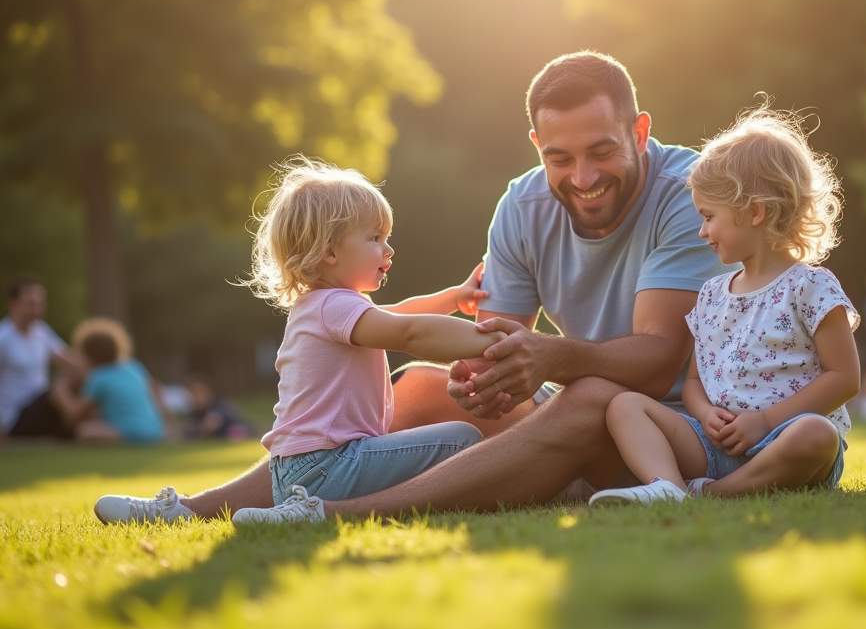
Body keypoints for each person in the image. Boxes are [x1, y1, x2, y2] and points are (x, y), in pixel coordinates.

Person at [93, 50, 725, 524]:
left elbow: (658, 360)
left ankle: (339, 515)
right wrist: (481, 379)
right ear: (537, 146)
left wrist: (547, 359)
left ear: (640, 133)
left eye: (602, 151)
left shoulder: (686, 193)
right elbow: (491, 347)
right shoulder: (523, 205)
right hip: (576, 410)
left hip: (672, 428)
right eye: (559, 158)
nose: (582, 177)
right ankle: (193, 510)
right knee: (422, 383)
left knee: (589, 395)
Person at [587, 108, 860, 505]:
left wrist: (765, 422)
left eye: (709, 217)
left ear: (755, 211)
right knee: (624, 406)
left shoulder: (811, 286)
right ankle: (670, 488)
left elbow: (844, 378)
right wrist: (704, 415)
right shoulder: (712, 294)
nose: (702, 232)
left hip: (785, 443)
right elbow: (696, 382)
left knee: (818, 435)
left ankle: (716, 493)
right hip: (715, 447)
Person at [0, 275, 83, 441]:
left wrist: (101, 364)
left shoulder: (41, 332)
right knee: (61, 385)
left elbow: (69, 361)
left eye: (40, 304)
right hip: (16, 419)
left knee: (81, 422)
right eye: (31, 304)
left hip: (42, 410)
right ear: (12, 304)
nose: (36, 310)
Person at [52, 318, 168, 443]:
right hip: (155, 431)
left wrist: (60, 390)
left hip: (132, 433)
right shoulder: (133, 366)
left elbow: (73, 416)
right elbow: (155, 389)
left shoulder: (99, 377)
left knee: (85, 431)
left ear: (90, 356)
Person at [182, 375, 252, 440]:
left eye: (198, 392)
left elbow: (244, 426)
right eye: (192, 393)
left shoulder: (220, 406)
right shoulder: (194, 413)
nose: (195, 397)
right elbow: (188, 432)